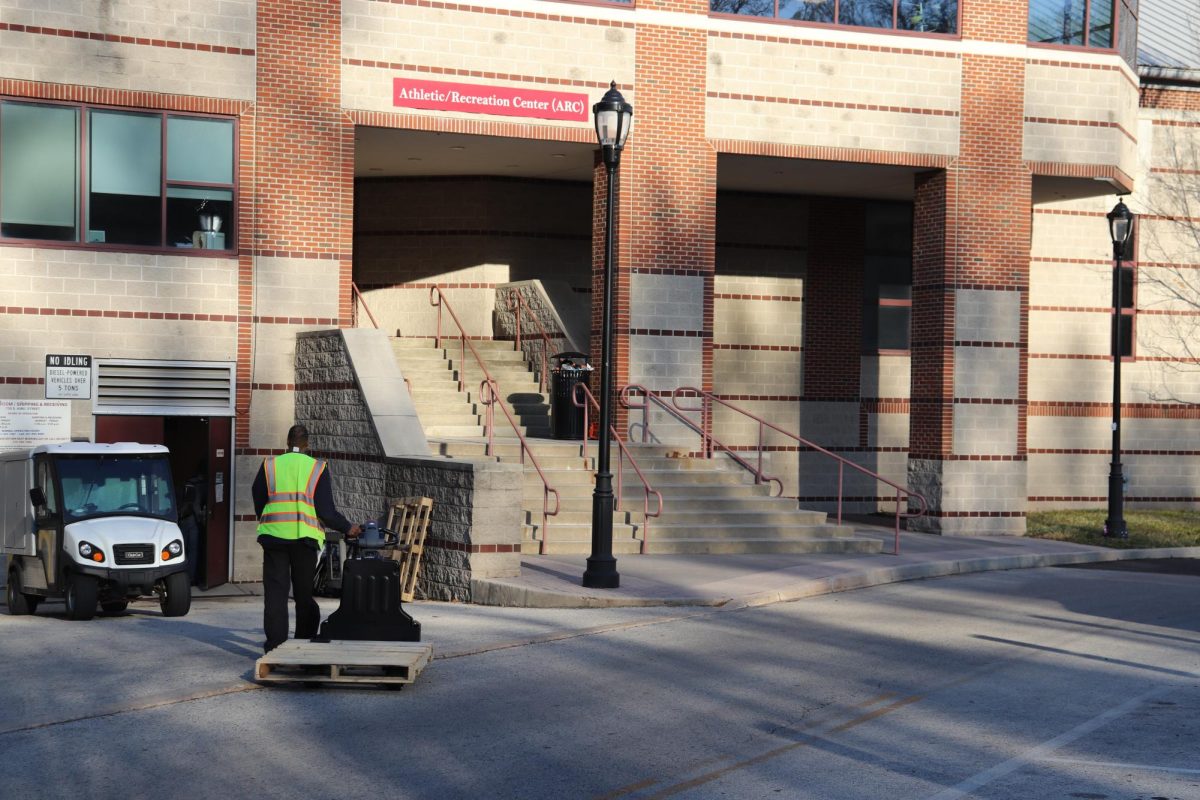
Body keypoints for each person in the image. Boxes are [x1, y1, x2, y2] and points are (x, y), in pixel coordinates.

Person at [252, 424, 361, 653]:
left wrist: (270, 518)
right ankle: (303, 644)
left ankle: (275, 647)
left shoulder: (270, 465)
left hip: (273, 538)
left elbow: (258, 497)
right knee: (303, 595)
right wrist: (347, 527)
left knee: (275, 594)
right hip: (304, 541)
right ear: (307, 444)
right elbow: (325, 510)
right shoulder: (317, 468)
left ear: (287, 442)